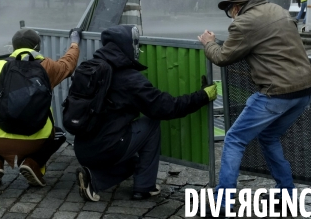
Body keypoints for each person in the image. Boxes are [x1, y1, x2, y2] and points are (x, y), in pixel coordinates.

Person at [198, 0, 311, 211]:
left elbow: (222, 57)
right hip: (305, 90)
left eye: (230, 10)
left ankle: (223, 201)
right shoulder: (279, 10)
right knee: (269, 137)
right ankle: (286, 193)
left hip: (276, 93)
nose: (231, 15)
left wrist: (209, 42)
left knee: (234, 139)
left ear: (235, 8)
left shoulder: (244, 23)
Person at [74, 25, 217, 201]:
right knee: (151, 123)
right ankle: (144, 186)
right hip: (106, 148)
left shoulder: (90, 67)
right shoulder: (128, 78)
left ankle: (92, 180)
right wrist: (202, 96)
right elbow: (165, 107)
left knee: (134, 163)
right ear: (128, 46)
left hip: (82, 147)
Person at [0, 28, 81, 187]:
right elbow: (68, 63)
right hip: (36, 139)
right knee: (59, 134)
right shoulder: (48, 66)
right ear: (37, 47)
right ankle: (33, 163)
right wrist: (74, 42)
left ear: (13, 47)